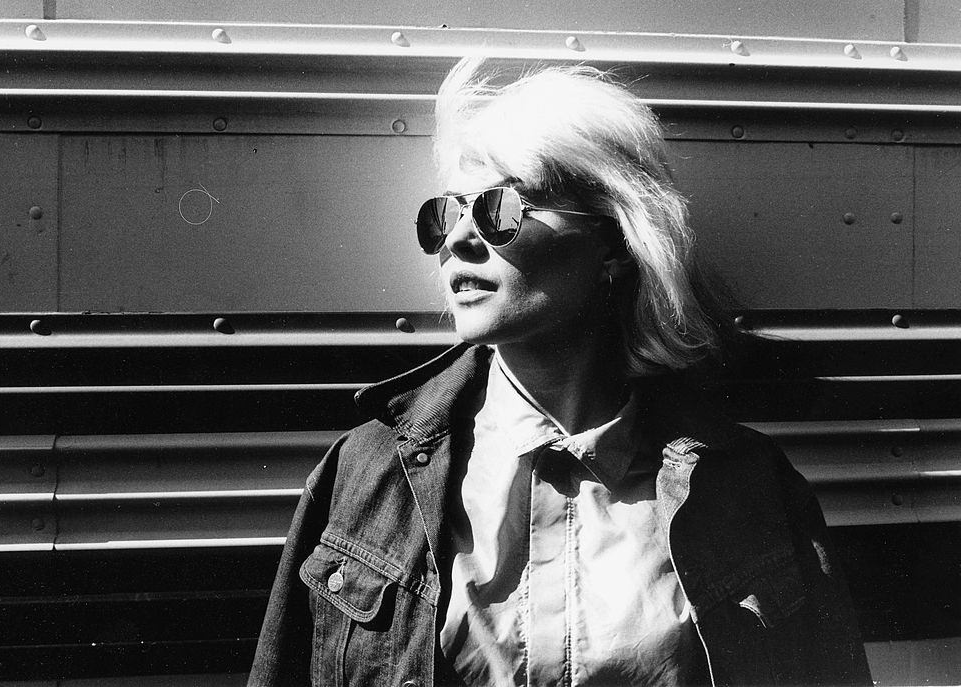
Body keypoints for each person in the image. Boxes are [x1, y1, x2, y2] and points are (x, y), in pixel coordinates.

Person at [248, 58, 872, 687]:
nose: (458, 239)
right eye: (445, 213)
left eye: (499, 208)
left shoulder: (747, 484)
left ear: (614, 242)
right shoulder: (367, 472)